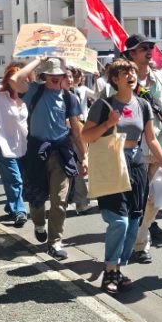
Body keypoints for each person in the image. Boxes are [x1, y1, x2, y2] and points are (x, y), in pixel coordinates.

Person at [82, 58, 162, 293]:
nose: (131, 75)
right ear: (115, 79)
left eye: (133, 71)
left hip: (136, 164)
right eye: (125, 72)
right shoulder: (104, 105)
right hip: (112, 164)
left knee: (134, 223)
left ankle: (118, 269)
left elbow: (152, 139)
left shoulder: (143, 105)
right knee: (119, 221)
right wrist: (108, 124)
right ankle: (109, 270)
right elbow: (86, 136)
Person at [11, 57, 86, 260]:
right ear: (44, 76)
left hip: (61, 153)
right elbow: (15, 80)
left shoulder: (70, 98)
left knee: (59, 201)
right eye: (51, 74)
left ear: (63, 77)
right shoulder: (35, 90)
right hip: (36, 152)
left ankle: (55, 242)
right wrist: (38, 60)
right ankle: (38, 223)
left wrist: (84, 158)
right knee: (36, 200)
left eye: (59, 74)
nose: (56, 77)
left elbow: (77, 132)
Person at [123, 34, 162, 264]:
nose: (149, 51)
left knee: (155, 200)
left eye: (150, 47)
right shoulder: (122, 79)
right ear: (131, 54)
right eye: (143, 48)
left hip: (160, 145)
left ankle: (141, 239)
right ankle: (132, 242)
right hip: (132, 148)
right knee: (135, 200)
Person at [0, 62, 28, 227]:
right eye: (13, 78)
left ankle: (11, 205)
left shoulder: (25, 100)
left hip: (23, 146)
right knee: (16, 180)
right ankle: (20, 212)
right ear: (8, 80)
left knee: (18, 179)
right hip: (5, 146)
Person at [64, 67, 92, 215]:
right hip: (59, 139)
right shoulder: (49, 96)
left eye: (70, 77)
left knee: (79, 167)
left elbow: (77, 116)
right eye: (66, 77)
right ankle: (65, 201)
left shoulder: (74, 94)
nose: (69, 80)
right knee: (65, 171)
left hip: (76, 134)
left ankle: (81, 202)